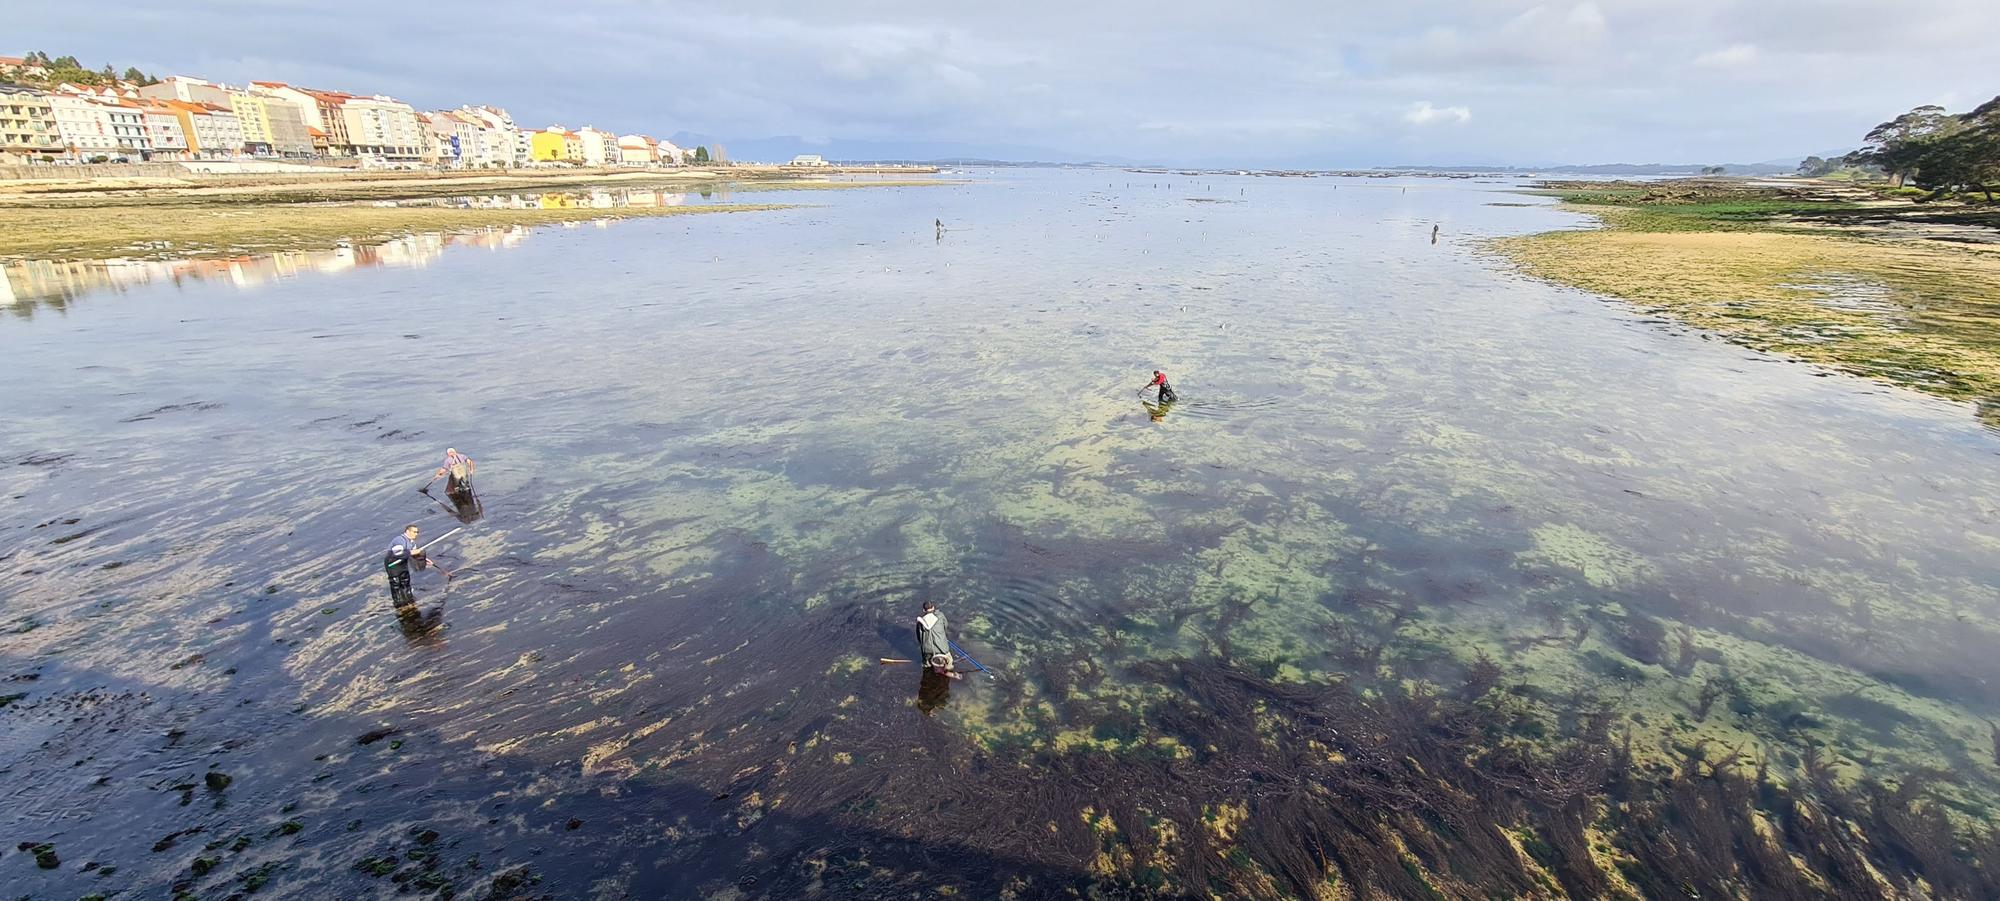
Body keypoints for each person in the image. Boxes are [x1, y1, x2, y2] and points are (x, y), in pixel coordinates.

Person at [383, 524, 427, 605]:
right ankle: (398, 601)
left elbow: (415, 554)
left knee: (405, 581)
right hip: (393, 564)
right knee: (396, 583)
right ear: (407, 531)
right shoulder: (399, 540)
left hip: (403, 564)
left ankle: (409, 598)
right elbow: (398, 553)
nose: (416, 534)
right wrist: (411, 552)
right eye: (414, 532)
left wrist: (425, 559)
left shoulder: (412, 543)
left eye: (417, 532)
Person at [916, 601, 960, 680]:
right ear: (933, 607)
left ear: (923, 610)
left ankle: (930, 677)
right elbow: (945, 626)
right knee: (948, 664)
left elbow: (919, 638)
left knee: (927, 667)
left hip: (927, 652)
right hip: (942, 650)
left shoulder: (920, 623)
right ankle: (948, 675)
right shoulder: (940, 616)